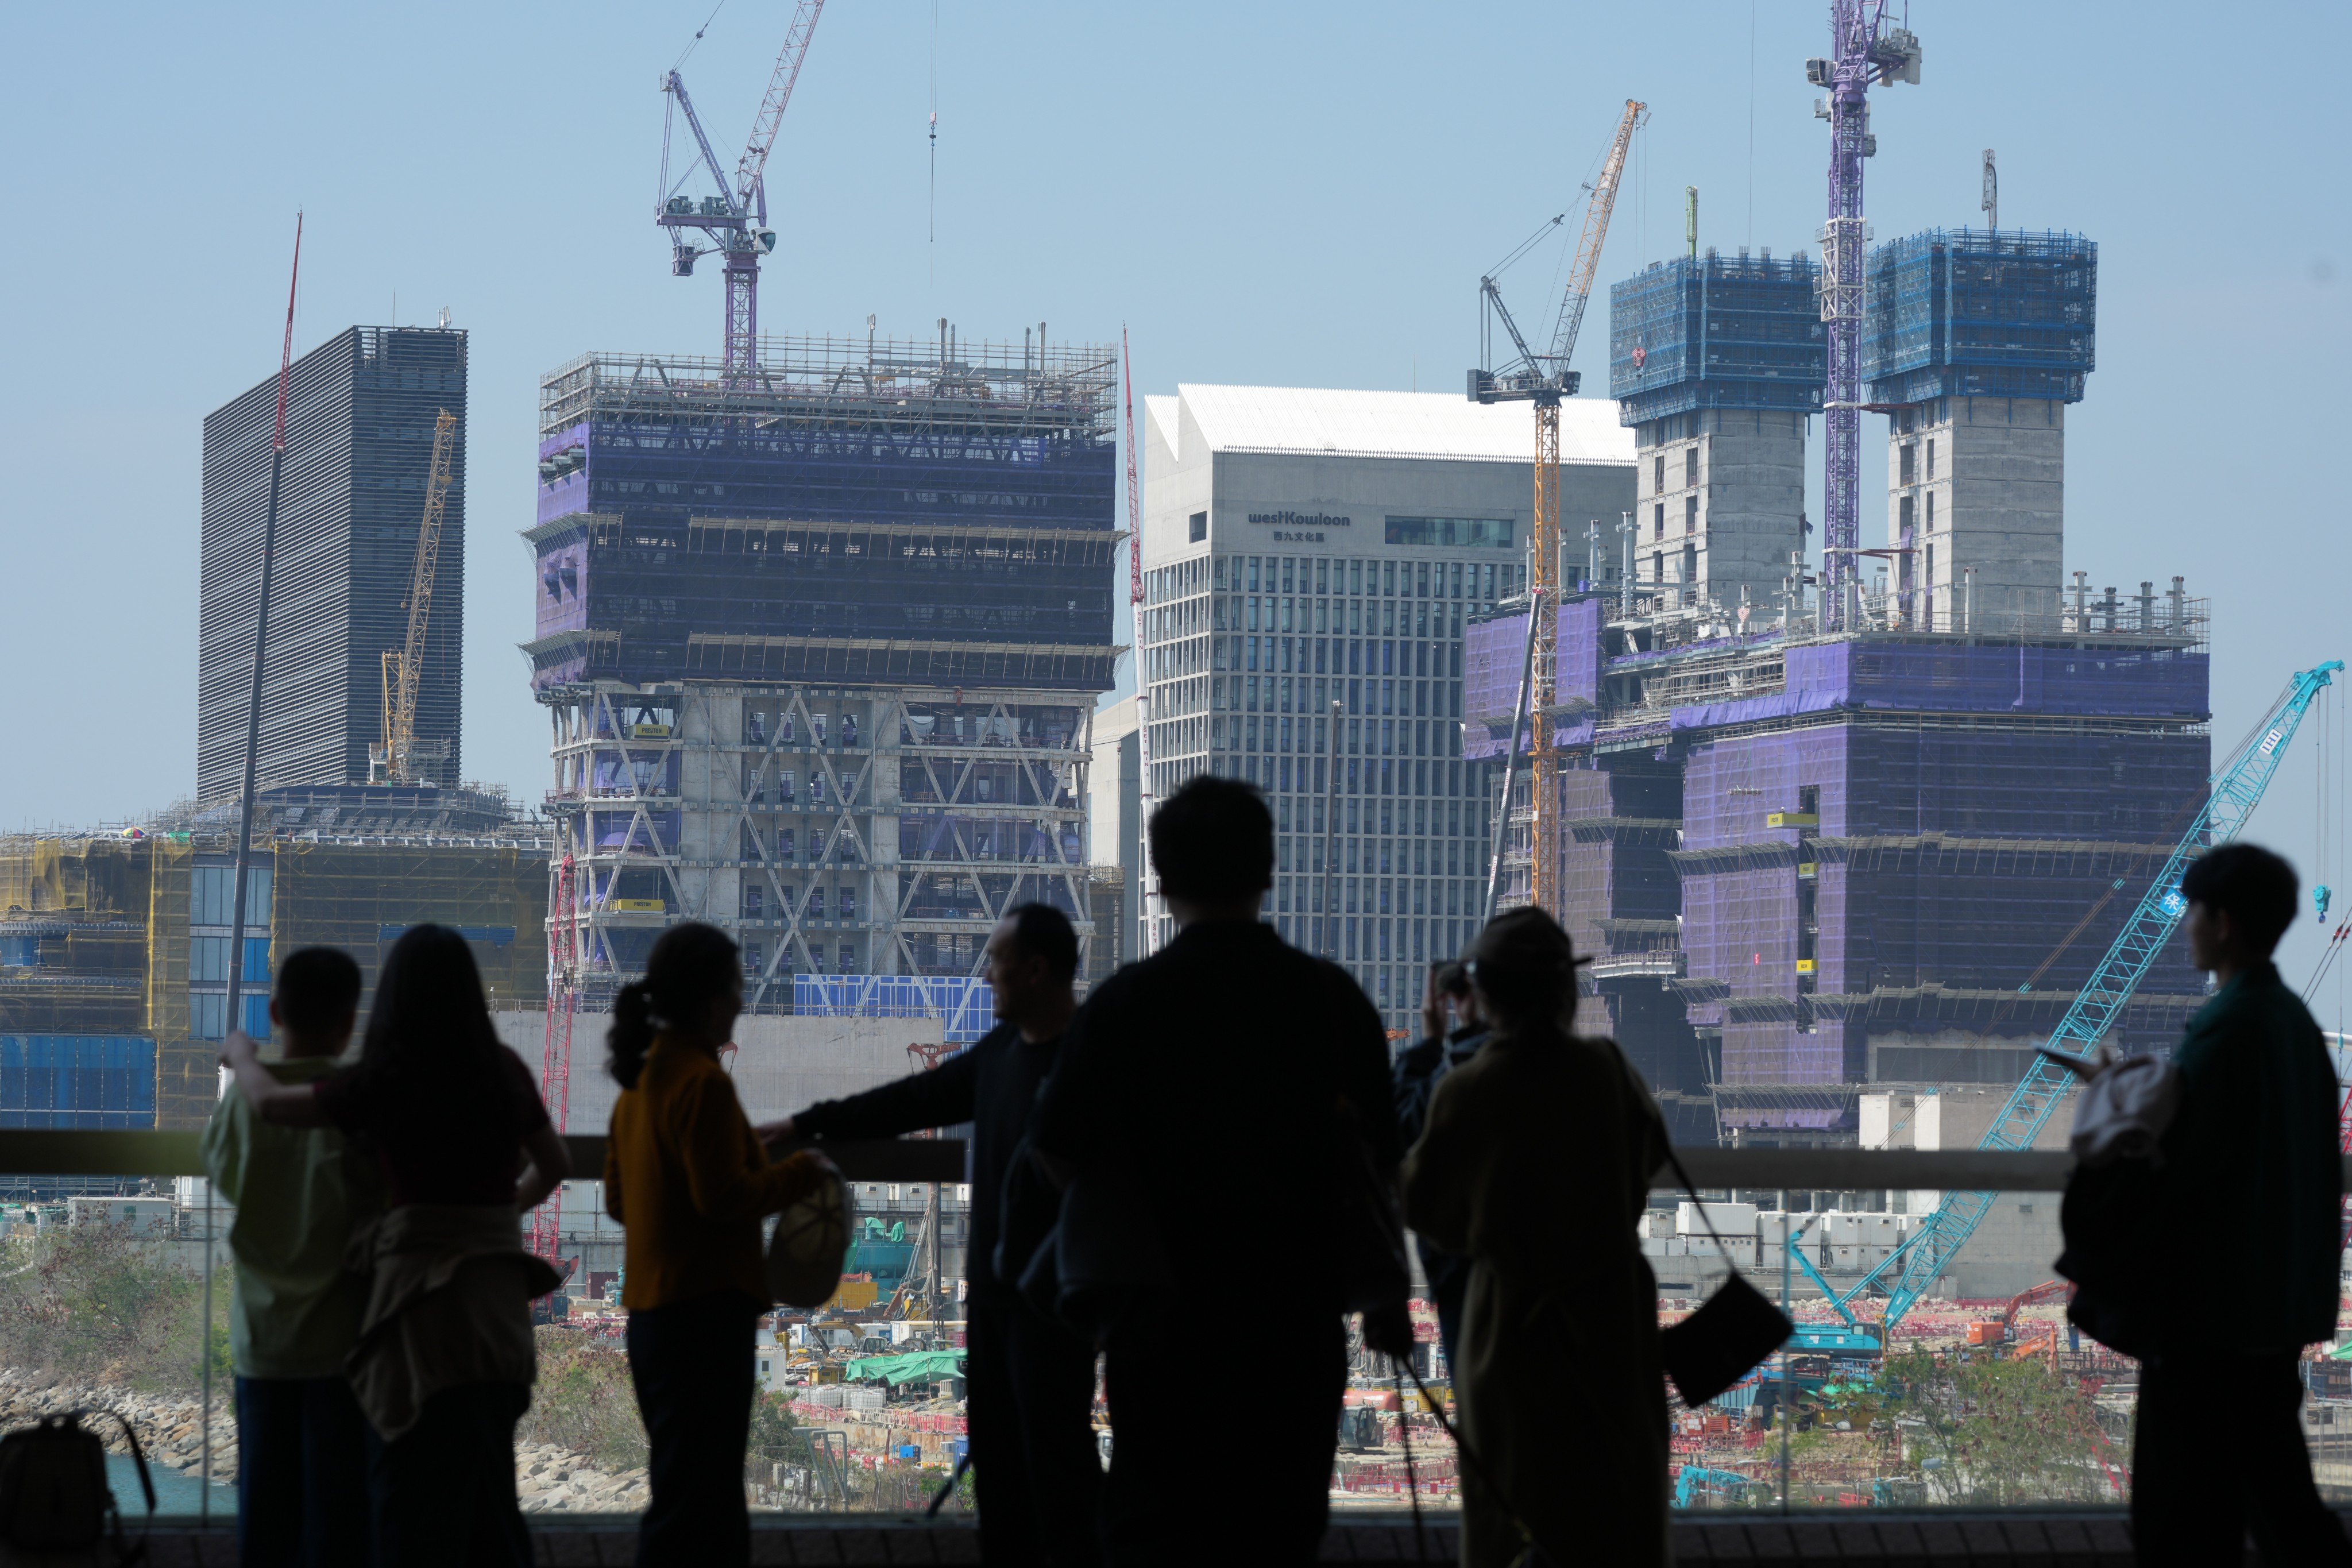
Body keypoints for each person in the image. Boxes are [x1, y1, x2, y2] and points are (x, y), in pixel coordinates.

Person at [1031, 776, 1403, 1567]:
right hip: (1293, 1324)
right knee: (1278, 1527)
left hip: (1160, 1322)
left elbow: (1055, 1140)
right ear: (1268, 871)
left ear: (1160, 882)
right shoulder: (1330, 1001)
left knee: (1156, 1525)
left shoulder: (1127, 1005)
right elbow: (1382, 1156)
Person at [223, 923, 569, 1568]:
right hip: (495, 1307)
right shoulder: (504, 1070)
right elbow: (553, 1165)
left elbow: (270, 1105)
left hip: (414, 1310)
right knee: (491, 1500)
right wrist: (492, 1219)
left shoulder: (388, 1077)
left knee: (406, 1503)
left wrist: (242, 1055)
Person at [776, 903, 1102, 1567]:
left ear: (1036, 971)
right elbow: (909, 1102)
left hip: (1054, 1306)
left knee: (1055, 1465)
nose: (986, 977)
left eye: (996, 962)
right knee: (1009, 1470)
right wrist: (805, 1124)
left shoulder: (1089, 1064)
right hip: (994, 1300)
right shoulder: (1004, 1055)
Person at [1401, 907, 1670, 1567]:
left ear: (1481, 994)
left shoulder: (1470, 1087)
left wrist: (1438, 1048)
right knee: (1617, 1509)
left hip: (1512, 1329)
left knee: (1511, 1513)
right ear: (1565, 991)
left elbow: (1426, 1207)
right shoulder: (1606, 1068)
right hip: (1613, 1318)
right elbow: (1650, 1154)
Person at [2127, 845, 2350, 1565]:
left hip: (2209, 1321)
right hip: (2271, 1315)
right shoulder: (2292, 1026)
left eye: (2191, 911)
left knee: (2187, 1517)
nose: (2183, 926)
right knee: (2282, 1501)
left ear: (2221, 923)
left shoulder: (2226, 1031)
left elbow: (2185, 1174)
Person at [601, 922, 832, 1568]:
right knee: (706, 1504)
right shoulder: (703, 1085)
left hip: (652, 1317)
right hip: (705, 1318)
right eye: (736, 986)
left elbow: (623, 1202)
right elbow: (725, 1197)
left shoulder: (638, 1090)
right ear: (708, 1000)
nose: (743, 1001)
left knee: (680, 1488)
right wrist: (802, 1171)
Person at [202, 947, 379, 1568]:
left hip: (263, 1342)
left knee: (266, 1518)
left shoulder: (244, 1107)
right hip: (346, 1345)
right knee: (340, 1521)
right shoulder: (358, 1102)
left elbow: (223, 1177)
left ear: (275, 1012)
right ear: (350, 1022)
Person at [1391, 960, 1488, 1373]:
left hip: (1473, 1277)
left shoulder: (1459, 1081)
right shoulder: (1600, 1068)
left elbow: (1399, 1135)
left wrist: (1433, 1044)